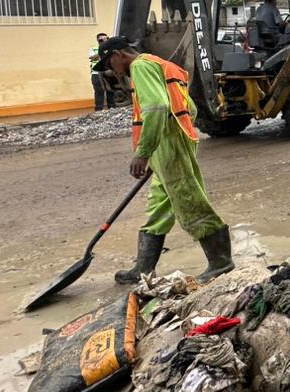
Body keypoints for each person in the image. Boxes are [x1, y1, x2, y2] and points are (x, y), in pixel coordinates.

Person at [92, 37, 234, 284]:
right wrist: (160, 149)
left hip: (169, 146)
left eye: (108, 64)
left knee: (189, 200)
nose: (111, 71)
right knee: (158, 208)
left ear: (118, 55)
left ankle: (221, 262)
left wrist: (144, 152)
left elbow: (157, 107)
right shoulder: (158, 63)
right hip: (168, 145)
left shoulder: (139, 67)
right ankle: (143, 269)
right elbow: (190, 109)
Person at [90, 33, 110, 111]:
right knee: (99, 92)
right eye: (101, 39)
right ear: (98, 40)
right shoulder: (94, 48)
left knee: (111, 91)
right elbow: (92, 58)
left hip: (109, 72)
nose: (104, 41)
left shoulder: (111, 48)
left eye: (106, 39)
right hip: (96, 73)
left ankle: (112, 108)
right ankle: (98, 110)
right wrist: (102, 49)